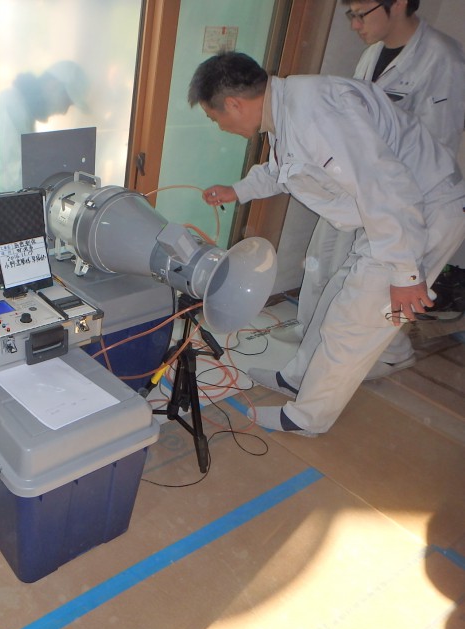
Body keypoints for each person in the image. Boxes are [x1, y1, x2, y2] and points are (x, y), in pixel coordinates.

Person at [190, 51, 465, 435]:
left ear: (234, 104)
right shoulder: (288, 109)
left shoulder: (316, 115)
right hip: (393, 218)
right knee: (332, 301)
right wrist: (237, 191)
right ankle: (297, 378)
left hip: (420, 216)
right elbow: (283, 169)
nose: (219, 126)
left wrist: (406, 273)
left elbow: (384, 187)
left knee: (352, 326)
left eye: (214, 117)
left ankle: (307, 418)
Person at [267, 0, 465, 382]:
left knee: (374, 287)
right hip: (359, 181)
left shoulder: (444, 61)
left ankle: (390, 352)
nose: (355, 25)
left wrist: (392, 214)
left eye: (361, 13)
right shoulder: (374, 51)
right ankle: (312, 335)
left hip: (399, 195)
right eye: (351, 14)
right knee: (324, 259)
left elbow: (436, 148)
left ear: (399, 3)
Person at [0, 60, 89, 192]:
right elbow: (9, 179)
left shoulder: (24, 111)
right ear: (52, 86)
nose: (64, 111)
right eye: (66, 101)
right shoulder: (11, 107)